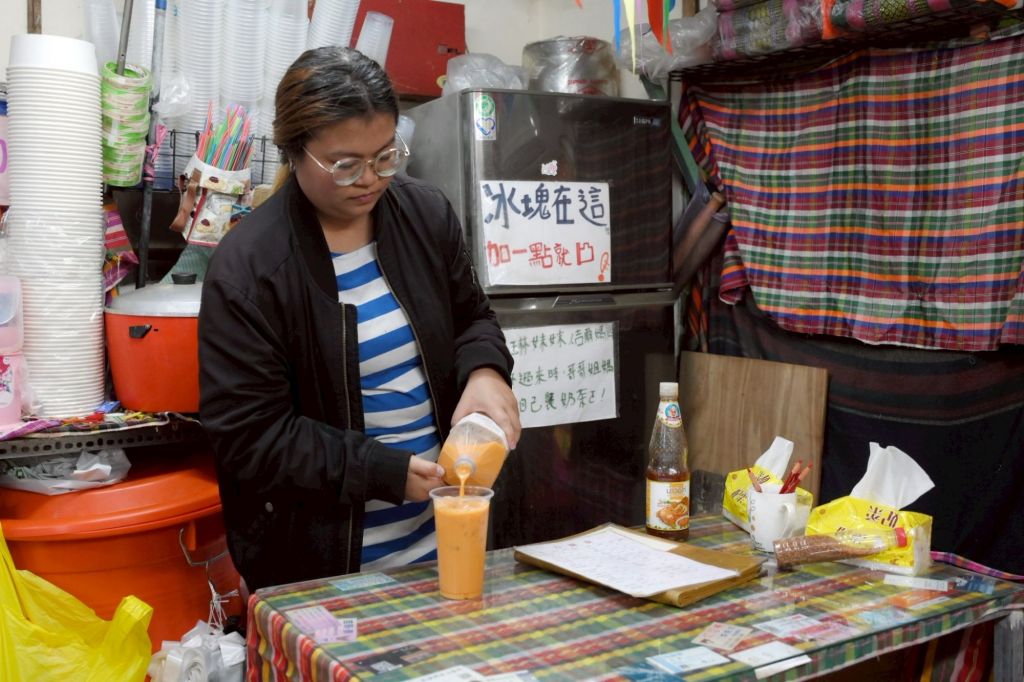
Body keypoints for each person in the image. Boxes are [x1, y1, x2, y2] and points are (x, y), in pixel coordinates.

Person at [198, 47, 521, 593]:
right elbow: (251, 437)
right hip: (322, 567)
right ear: (295, 150)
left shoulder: (425, 217)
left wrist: (486, 371)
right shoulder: (249, 269)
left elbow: (473, 318)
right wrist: (379, 471)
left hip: (444, 540)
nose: (370, 179)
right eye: (346, 165)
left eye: (386, 156)